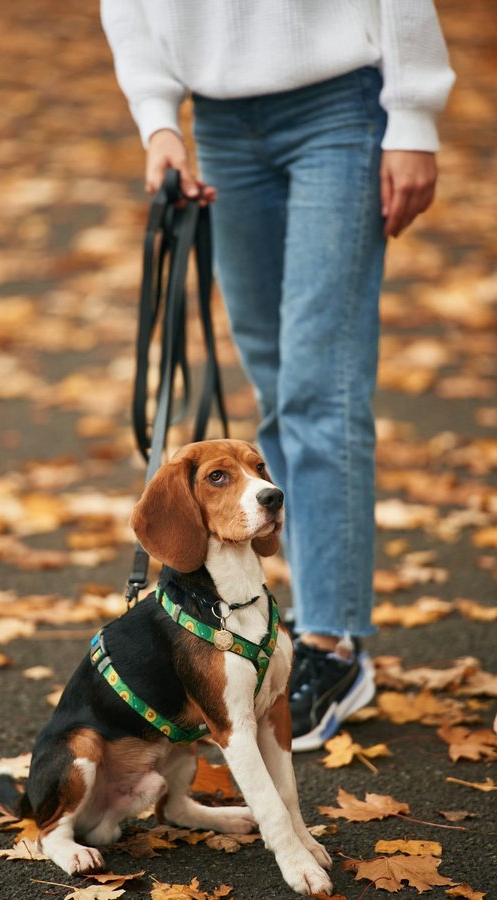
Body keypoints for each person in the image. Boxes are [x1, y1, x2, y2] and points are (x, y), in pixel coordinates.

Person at [101, 1, 455, 751]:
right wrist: (159, 118)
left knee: (315, 390)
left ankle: (332, 642)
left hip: (339, 104)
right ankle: (305, 618)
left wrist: (414, 112)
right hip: (221, 122)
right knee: (274, 388)